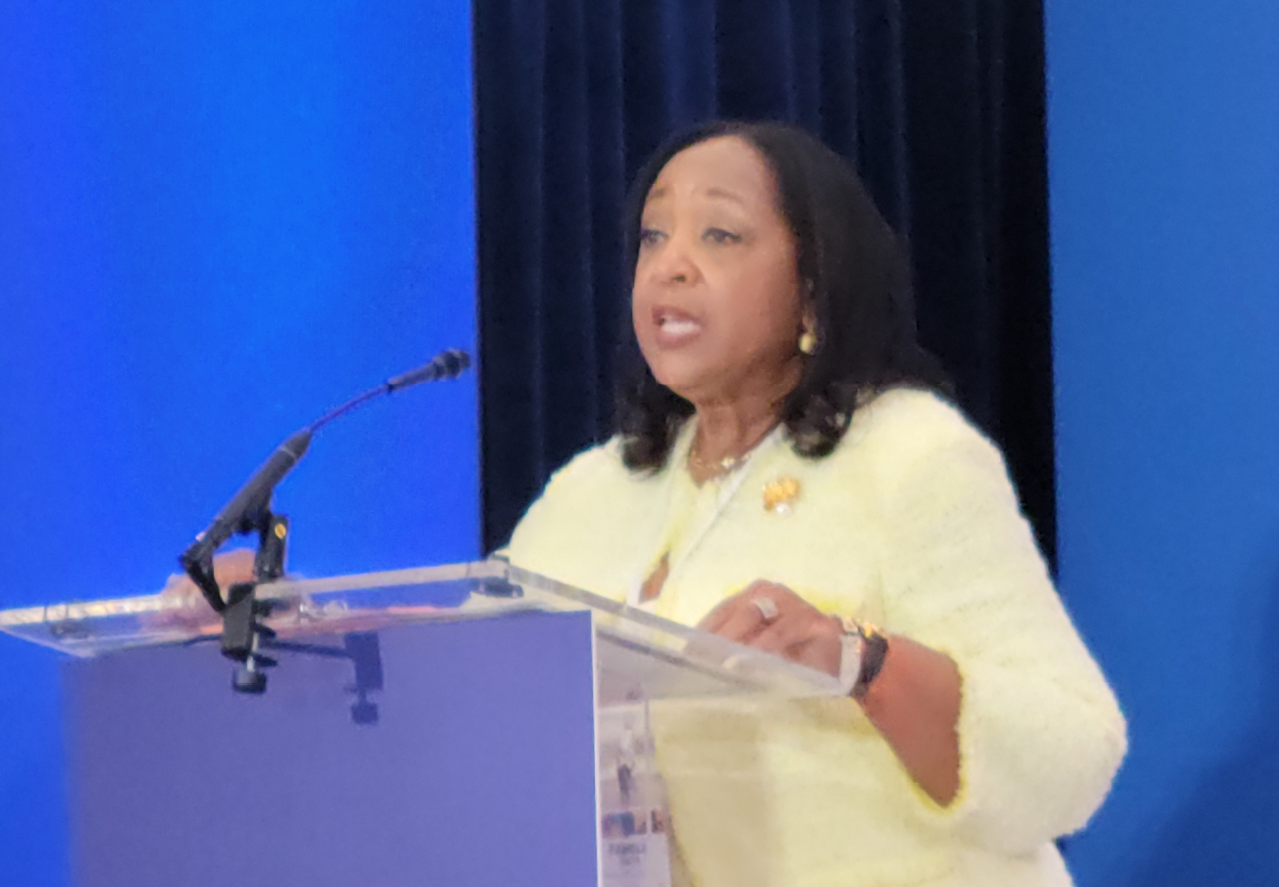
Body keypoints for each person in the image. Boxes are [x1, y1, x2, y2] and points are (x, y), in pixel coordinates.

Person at [502, 120, 1126, 887]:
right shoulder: (590, 492)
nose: (670, 266)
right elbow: (492, 699)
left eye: (720, 234)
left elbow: (1072, 755)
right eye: (653, 236)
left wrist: (860, 659)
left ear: (811, 288)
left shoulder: (906, 457)